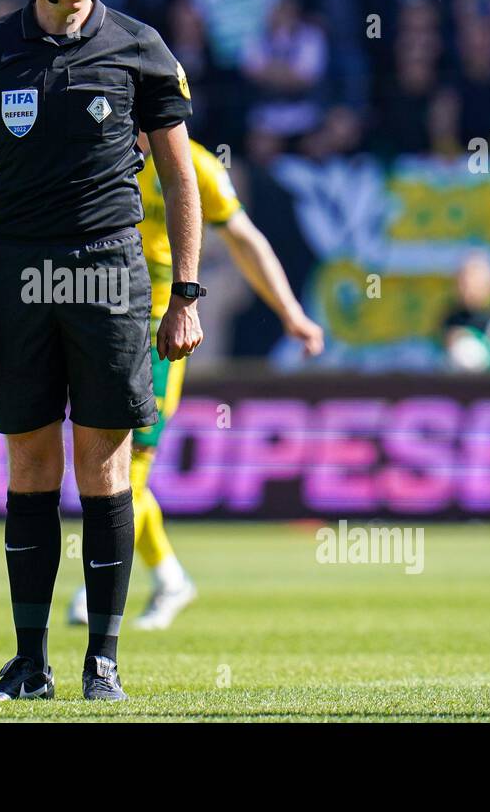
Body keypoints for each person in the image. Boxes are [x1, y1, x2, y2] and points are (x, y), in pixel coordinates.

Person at [0, 0, 202, 701]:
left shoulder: (140, 47)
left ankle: (104, 663)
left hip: (109, 274)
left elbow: (180, 177)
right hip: (16, 277)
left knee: (104, 465)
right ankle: (29, 664)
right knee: (28, 462)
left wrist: (186, 291)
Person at [69, 134, 325, 629]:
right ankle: (168, 577)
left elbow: (245, 239)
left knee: (131, 467)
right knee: (100, 461)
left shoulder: (197, 166)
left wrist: (291, 313)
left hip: (156, 332)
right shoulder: (95, 148)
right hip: (96, 321)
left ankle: (100, 579)